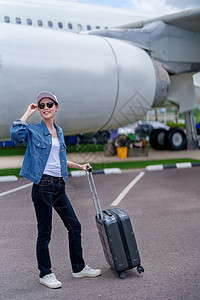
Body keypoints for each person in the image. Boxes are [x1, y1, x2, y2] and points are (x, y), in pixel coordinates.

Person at [10, 91, 101, 289]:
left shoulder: (59, 131)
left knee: (74, 226)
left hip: (59, 185)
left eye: (49, 104)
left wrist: (80, 166)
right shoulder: (33, 131)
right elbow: (15, 134)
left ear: (56, 107)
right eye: (41, 105)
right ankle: (45, 273)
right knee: (45, 232)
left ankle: (78, 268)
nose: (45, 108)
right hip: (42, 186)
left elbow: (58, 159)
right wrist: (27, 113)